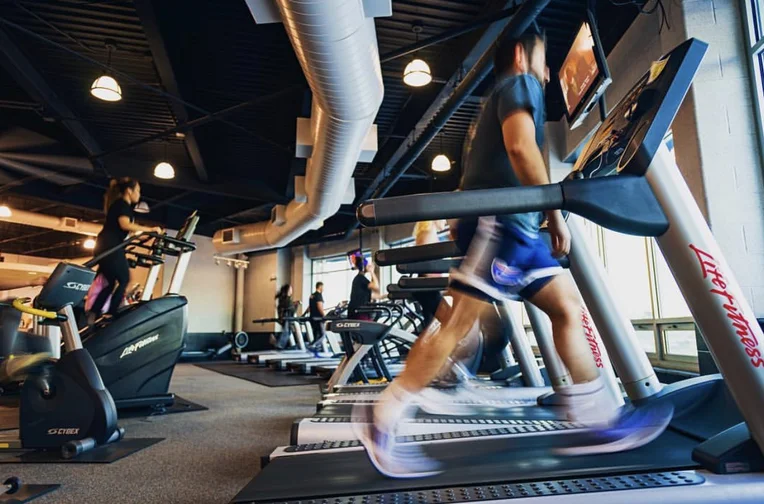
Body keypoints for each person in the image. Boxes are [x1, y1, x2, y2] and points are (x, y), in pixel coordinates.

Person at [353, 30, 671, 478]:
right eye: (544, 61)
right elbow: (520, 146)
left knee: (564, 306)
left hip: (511, 225)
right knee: (459, 323)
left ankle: (595, 420)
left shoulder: (505, 94)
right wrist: (555, 209)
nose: (547, 73)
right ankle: (384, 416)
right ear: (521, 55)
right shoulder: (518, 83)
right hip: (501, 223)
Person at [88, 178, 161, 319]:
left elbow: (128, 230)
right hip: (110, 246)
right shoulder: (122, 204)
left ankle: (94, 312)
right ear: (129, 191)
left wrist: (146, 235)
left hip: (105, 245)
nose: (139, 195)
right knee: (124, 279)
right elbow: (125, 225)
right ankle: (111, 313)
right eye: (138, 191)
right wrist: (149, 229)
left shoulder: (120, 206)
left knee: (110, 283)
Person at [347, 255, 379, 320]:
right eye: (367, 264)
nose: (369, 266)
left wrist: (388, 295)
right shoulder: (360, 278)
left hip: (358, 312)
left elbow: (373, 295)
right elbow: (376, 286)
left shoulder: (359, 279)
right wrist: (372, 272)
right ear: (363, 267)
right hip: (359, 313)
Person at [273, 284, 300, 349]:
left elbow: (288, 307)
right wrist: (296, 305)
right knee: (287, 331)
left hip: (283, 317)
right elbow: (293, 310)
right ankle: (279, 344)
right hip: (286, 318)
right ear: (288, 290)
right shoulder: (287, 300)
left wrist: (294, 304)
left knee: (288, 331)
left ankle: (278, 343)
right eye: (290, 289)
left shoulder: (283, 299)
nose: (292, 290)